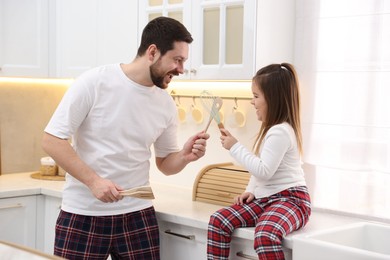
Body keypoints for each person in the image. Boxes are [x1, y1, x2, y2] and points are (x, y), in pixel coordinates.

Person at [42, 16, 209, 260]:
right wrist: (94, 182)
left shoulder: (165, 103)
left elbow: (165, 164)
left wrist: (183, 157)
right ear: (153, 52)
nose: (181, 69)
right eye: (177, 60)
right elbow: (52, 140)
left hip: (137, 216)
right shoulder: (94, 83)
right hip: (83, 214)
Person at [207, 63, 311, 260]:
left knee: (265, 235)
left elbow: (264, 171)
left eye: (256, 96)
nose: (252, 102)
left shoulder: (280, 131)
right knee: (218, 221)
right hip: (267, 200)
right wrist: (252, 190)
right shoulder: (273, 130)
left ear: (273, 99)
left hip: (292, 201)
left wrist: (235, 147)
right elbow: (261, 171)